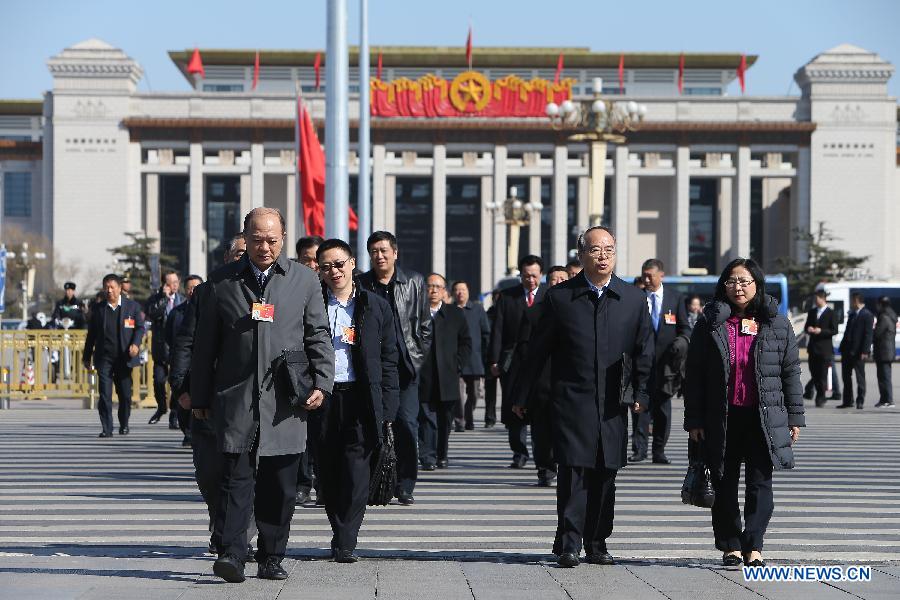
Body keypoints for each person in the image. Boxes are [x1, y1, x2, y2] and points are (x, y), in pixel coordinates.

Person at [190, 208, 334, 583]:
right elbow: (205, 346)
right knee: (235, 480)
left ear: (283, 238)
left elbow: (318, 334)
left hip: (285, 401)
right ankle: (233, 554)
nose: (264, 247)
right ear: (245, 237)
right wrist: (199, 396)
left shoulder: (303, 280)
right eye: (257, 239)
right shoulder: (221, 282)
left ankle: (271, 556)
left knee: (280, 485)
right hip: (236, 399)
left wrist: (322, 383)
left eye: (272, 240)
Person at [515, 227, 652, 567]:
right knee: (573, 474)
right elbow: (537, 351)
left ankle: (598, 541)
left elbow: (644, 352)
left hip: (613, 404)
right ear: (582, 255)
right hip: (572, 400)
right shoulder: (561, 298)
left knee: (606, 475)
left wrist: (641, 393)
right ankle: (569, 542)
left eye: (609, 249)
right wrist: (522, 395)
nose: (603, 255)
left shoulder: (633, 300)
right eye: (595, 249)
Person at [684, 257, 804, 568]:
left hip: (762, 416)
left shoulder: (777, 322)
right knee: (723, 481)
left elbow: (790, 371)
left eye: (744, 281)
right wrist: (694, 419)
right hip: (721, 416)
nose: (738, 287)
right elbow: (694, 373)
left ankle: (755, 545)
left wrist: (794, 416)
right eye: (732, 281)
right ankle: (731, 544)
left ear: (756, 285)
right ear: (723, 286)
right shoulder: (710, 321)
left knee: (760, 482)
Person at [169, 234, 257, 558]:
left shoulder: (268, 292)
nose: (245, 258)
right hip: (209, 399)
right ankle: (222, 527)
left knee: (245, 472)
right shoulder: (205, 292)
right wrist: (181, 388)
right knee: (210, 472)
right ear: (226, 259)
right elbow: (185, 343)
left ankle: (235, 538)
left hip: (250, 399)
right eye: (239, 254)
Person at [315, 239, 399, 563]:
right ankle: (340, 531)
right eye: (326, 266)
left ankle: (346, 540)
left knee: (356, 470)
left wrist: (388, 408)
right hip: (322, 397)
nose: (334, 271)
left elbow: (389, 359)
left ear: (352, 264)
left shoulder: (374, 305)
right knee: (328, 469)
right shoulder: (313, 304)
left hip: (360, 397)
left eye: (339, 264)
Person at [357, 231, 432, 505]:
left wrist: (417, 359)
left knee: (406, 426)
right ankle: (375, 481)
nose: (379, 256)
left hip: (405, 366)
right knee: (372, 426)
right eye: (374, 251)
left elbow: (424, 326)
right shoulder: (361, 284)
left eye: (384, 250)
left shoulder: (414, 281)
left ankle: (405, 483)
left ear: (395, 253)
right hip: (372, 367)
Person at [508, 266, 569, 487]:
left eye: (563, 279)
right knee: (541, 433)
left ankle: (567, 466)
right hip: (541, 384)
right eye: (553, 280)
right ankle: (545, 469)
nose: (558, 283)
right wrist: (521, 395)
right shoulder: (534, 314)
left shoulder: (581, 311)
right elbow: (525, 356)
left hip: (571, 383)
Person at [489, 255, 546, 469]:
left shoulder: (549, 296)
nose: (530, 280)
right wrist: (494, 359)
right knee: (513, 408)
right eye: (526, 276)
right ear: (520, 275)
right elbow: (498, 330)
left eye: (534, 276)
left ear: (541, 275)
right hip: (513, 362)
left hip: (541, 362)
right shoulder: (507, 297)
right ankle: (519, 452)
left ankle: (543, 453)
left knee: (540, 409)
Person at [630, 258, 689, 464]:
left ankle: (659, 451)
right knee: (640, 407)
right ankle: (639, 449)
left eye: (650, 275)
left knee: (663, 409)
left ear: (661, 275)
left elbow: (685, 329)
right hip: (640, 363)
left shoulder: (675, 298)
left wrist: (681, 343)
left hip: (666, 365)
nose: (646, 279)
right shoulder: (635, 297)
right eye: (644, 275)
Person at [418, 274, 471, 470]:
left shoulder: (455, 314)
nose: (433, 290)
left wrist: (458, 364)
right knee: (426, 418)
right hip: (424, 375)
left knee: (445, 420)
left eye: (437, 287)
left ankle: (442, 454)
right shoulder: (416, 313)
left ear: (444, 291)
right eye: (430, 286)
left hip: (447, 376)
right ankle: (428, 456)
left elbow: (466, 343)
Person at [83, 274, 145, 438]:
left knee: (125, 394)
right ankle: (107, 428)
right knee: (104, 394)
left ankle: (124, 423)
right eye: (106, 287)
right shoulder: (98, 309)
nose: (109, 290)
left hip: (124, 358)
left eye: (112, 287)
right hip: (104, 358)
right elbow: (92, 334)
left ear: (119, 288)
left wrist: (136, 344)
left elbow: (140, 328)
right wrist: (86, 356)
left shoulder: (132, 307)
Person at [293, 235, 324, 505]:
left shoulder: (337, 288)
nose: (313, 265)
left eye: (318, 260)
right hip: (298, 370)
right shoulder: (290, 287)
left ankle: (324, 483)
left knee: (324, 432)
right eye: (307, 259)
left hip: (327, 371)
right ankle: (302, 483)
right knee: (301, 431)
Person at [164, 274, 203, 447]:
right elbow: (169, 337)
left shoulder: (210, 309)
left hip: (201, 362)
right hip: (182, 362)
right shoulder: (176, 313)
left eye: (197, 287)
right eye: (189, 288)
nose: (193, 291)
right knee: (183, 398)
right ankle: (187, 432)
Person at [146, 271, 185, 427]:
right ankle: (162, 407)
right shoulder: (155, 300)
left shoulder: (183, 300)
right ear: (164, 285)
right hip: (161, 348)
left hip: (178, 349)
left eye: (176, 282)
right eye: (169, 283)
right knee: (159, 380)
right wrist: (164, 298)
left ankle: (174, 414)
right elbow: (153, 315)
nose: (173, 285)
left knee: (176, 382)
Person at [452, 280, 490, 431]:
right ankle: (460, 421)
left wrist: (488, 356)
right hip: (455, 359)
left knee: (474, 394)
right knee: (458, 394)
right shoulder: (449, 310)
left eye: (463, 289)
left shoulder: (478, 309)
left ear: (468, 292)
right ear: (453, 293)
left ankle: (469, 415)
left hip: (474, 358)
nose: (460, 292)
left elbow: (486, 333)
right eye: (457, 290)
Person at [802, 290, 839, 407]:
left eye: (817, 298)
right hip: (813, 348)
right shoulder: (812, 312)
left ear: (823, 299)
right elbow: (806, 326)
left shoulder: (831, 313)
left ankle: (821, 396)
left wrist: (821, 331)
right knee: (814, 373)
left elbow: (834, 330)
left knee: (823, 374)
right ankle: (816, 392)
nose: (815, 301)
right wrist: (809, 329)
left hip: (825, 349)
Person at [838, 292, 874, 409]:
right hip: (847, 351)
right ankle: (848, 400)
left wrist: (865, 351)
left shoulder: (867, 315)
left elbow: (868, 334)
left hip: (858, 352)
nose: (851, 303)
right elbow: (847, 332)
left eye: (852, 300)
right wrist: (842, 347)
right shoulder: (853, 314)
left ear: (857, 300)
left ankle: (860, 400)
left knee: (860, 377)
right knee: (846, 377)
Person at [873, 296, 897, 408]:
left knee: (884, 377)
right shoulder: (891, 315)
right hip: (887, 350)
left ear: (881, 304)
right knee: (884, 376)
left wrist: (872, 330)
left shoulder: (884, 317)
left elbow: (877, 333)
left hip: (884, 351)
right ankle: (884, 399)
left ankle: (888, 400)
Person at [483, 289, 501, 428]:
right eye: (496, 298)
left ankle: (508, 416)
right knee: (490, 391)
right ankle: (490, 418)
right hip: (490, 357)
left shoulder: (508, 314)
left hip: (507, 356)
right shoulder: (487, 315)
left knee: (508, 390)